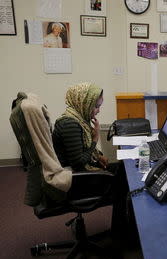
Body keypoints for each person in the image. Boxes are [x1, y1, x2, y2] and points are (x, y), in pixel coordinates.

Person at [52, 82, 130, 248]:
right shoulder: (70, 124)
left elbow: (81, 152)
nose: (98, 110)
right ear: (84, 102)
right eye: (96, 106)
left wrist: (98, 156)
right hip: (75, 182)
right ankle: (120, 236)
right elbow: (79, 162)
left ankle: (122, 229)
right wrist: (95, 140)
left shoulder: (78, 119)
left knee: (124, 169)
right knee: (124, 184)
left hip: (78, 173)